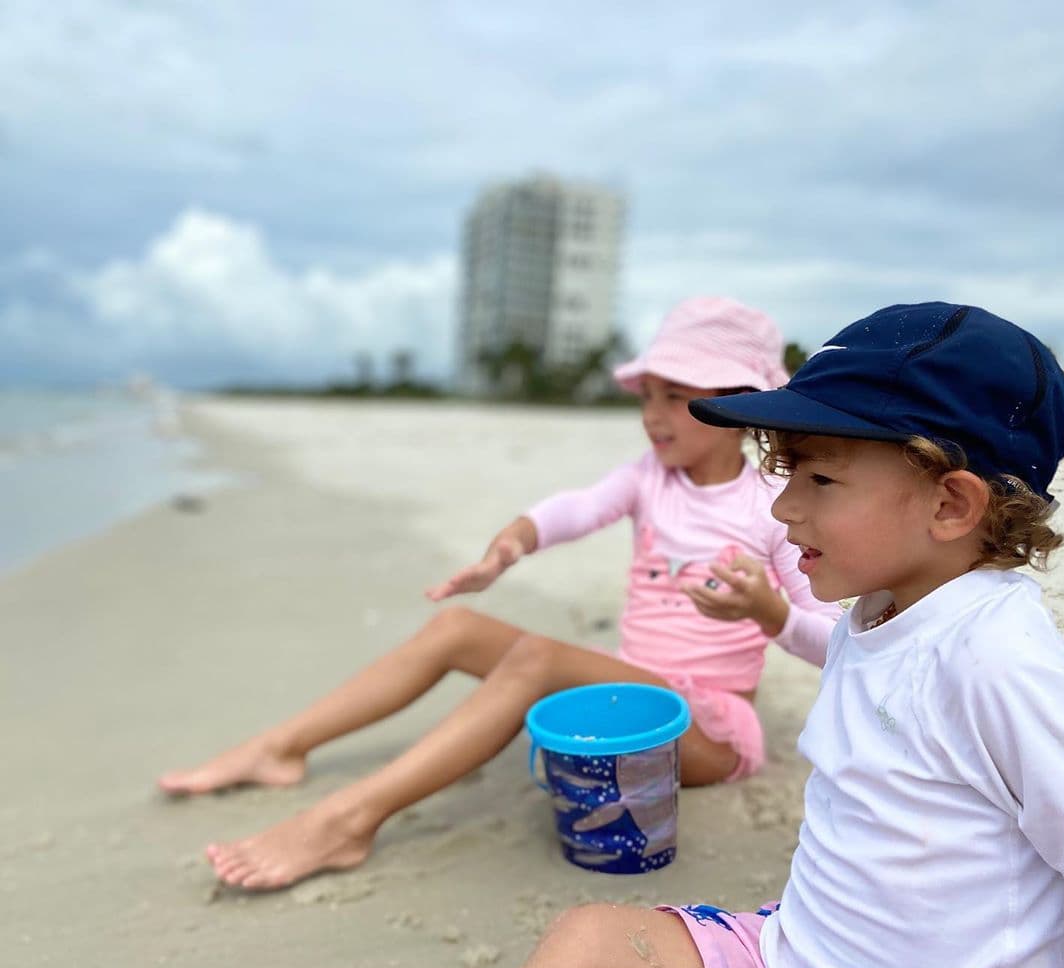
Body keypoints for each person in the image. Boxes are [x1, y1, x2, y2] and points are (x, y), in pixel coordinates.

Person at [414, 302, 1064, 968]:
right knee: (589, 940)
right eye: (789, 472)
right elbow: (853, 662)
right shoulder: (888, 606)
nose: (782, 505)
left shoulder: (1001, 660)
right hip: (789, 967)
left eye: (820, 477)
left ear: (950, 504)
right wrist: (770, 616)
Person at [159, 297, 840, 891]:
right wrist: (511, 543)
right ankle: (281, 747)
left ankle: (347, 819)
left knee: (539, 659)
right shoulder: (649, 478)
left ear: (733, 401)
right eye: (646, 395)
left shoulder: (773, 508)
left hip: (707, 728)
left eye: (674, 396)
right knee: (458, 626)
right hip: (630, 684)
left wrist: (766, 611)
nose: (652, 416)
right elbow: (577, 507)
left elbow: (833, 647)